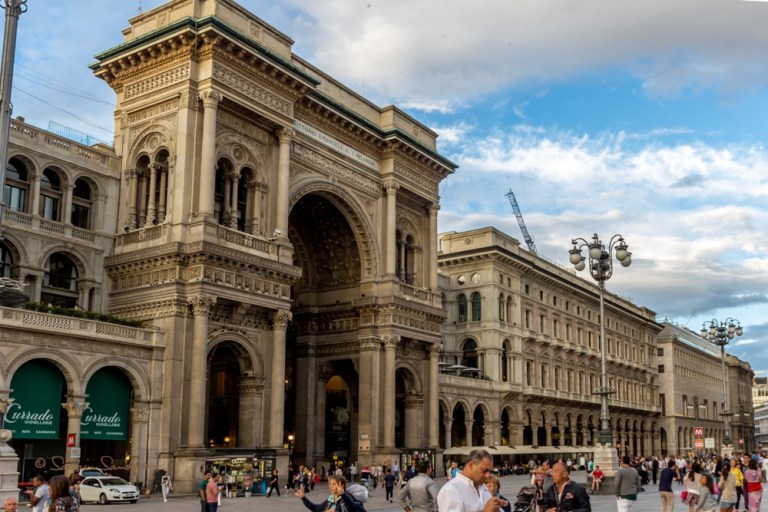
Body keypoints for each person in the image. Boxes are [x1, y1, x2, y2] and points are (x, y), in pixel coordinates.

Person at [437, 448, 508, 512]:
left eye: (490, 471)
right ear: (471, 465)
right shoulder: (451, 490)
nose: (488, 475)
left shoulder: (482, 486)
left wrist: (496, 508)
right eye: (484, 471)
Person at [296, 475, 365, 512]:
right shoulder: (332, 497)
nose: (331, 486)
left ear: (342, 485)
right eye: (330, 484)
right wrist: (303, 498)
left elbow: (353, 506)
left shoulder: (347, 497)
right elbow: (317, 508)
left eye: (334, 484)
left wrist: (343, 494)